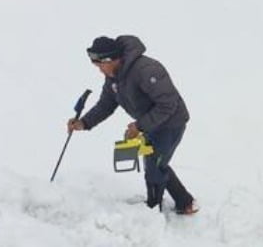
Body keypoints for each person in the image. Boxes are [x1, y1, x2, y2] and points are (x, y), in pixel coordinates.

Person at [68, 35, 198, 214]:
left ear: (111, 59)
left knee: (155, 166)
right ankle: (185, 203)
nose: (98, 69)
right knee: (156, 162)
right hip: (151, 124)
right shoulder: (114, 77)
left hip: (170, 123)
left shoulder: (146, 70)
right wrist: (84, 122)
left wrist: (139, 126)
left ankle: (153, 211)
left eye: (99, 64)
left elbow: (168, 104)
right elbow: (105, 105)